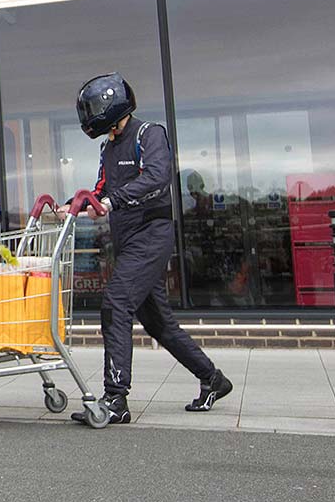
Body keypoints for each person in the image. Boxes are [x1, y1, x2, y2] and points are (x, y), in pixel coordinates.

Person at [71, 74, 233, 425]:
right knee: (159, 323)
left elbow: (157, 177)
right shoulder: (109, 147)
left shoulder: (149, 134)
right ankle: (213, 379)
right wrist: (73, 205)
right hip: (127, 240)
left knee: (115, 302)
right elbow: (101, 188)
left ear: (110, 107)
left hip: (152, 235)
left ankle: (115, 399)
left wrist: (113, 201)